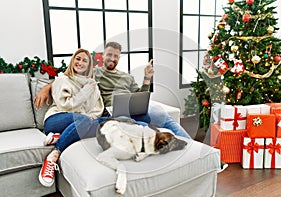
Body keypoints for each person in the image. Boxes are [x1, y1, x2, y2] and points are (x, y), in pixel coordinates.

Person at [34, 41, 191, 139]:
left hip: (131, 107)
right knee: (135, 123)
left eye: (116, 56)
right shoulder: (94, 72)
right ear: (103, 56)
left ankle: (189, 146)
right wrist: (47, 87)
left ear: (119, 57)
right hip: (111, 110)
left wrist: (147, 78)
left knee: (162, 115)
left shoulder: (126, 76)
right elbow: (72, 76)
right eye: (109, 55)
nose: (112, 58)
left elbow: (139, 95)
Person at [38, 48, 107, 187]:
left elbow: (98, 108)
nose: (80, 62)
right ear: (72, 60)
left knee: (105, 123)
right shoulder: (62, 79)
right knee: (84, 121)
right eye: (78, 58)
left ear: (89, 65)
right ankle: (53, 156)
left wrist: (92, 116)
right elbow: (65, 106)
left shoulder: (92, 84)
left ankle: (61, 135)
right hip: (57, 119)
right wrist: (85, 92)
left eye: (84, 60)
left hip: (81, 121)